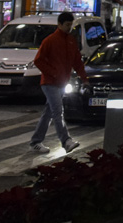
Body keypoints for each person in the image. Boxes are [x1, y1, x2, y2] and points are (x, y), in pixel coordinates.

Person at [29, 12, 87, 154]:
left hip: (60, 82)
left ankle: (36, 141)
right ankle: (66, 140)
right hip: (50, 82)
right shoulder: (50, 41)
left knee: (49, 112)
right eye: (67, 25)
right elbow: (38, 60)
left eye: (70, 25)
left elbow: (77, 62)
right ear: (60, 24)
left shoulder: (71, 41)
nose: (69, 27)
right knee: (57, 111)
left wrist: (84, 78)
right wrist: (54, 73)